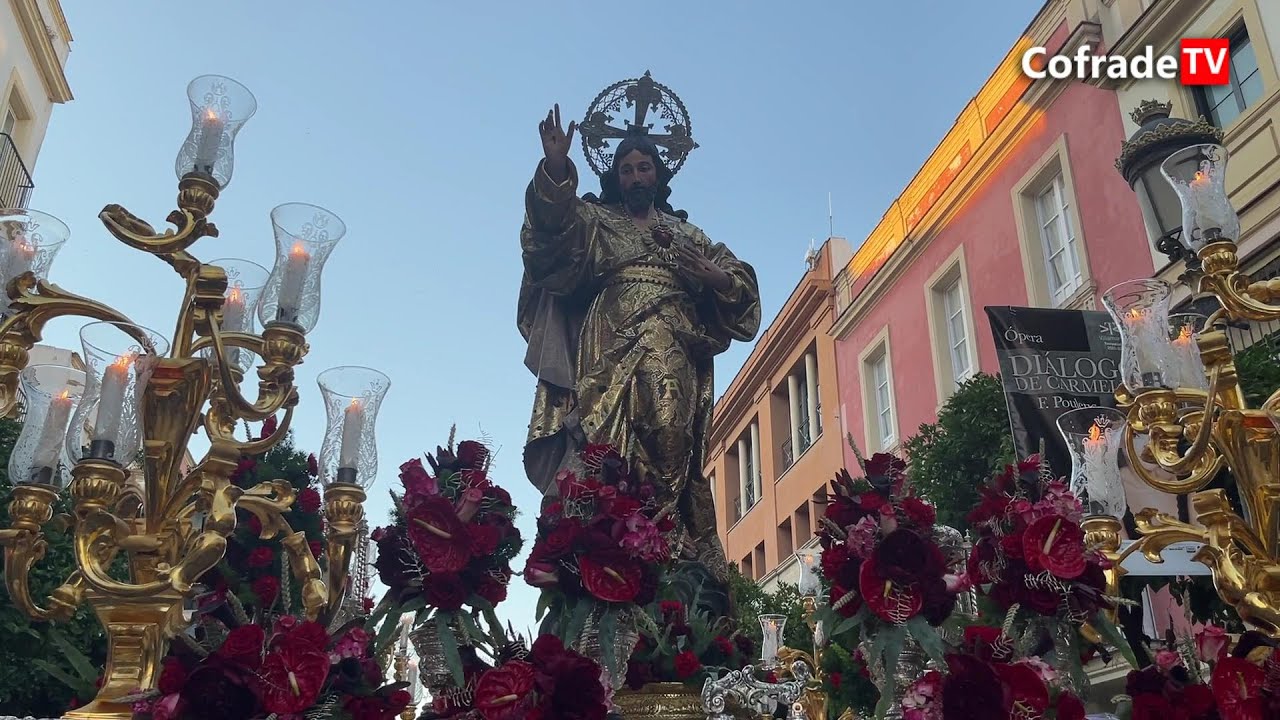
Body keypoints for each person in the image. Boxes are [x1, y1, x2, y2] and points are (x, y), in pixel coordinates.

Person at [517, 104, 761, 597]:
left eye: (643, 167)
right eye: (626, 169)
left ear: (658, 174)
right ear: (616, 176)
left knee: (671, 431)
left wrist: (717, 278)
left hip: (674, 345)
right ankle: (613, 535)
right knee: (603, 447)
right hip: (609, 346)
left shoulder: (687, 235)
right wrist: (557, 167)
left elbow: (738, 283)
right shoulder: (596, 221)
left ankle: (668, 539)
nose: (635, 176)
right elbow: (550, 235)